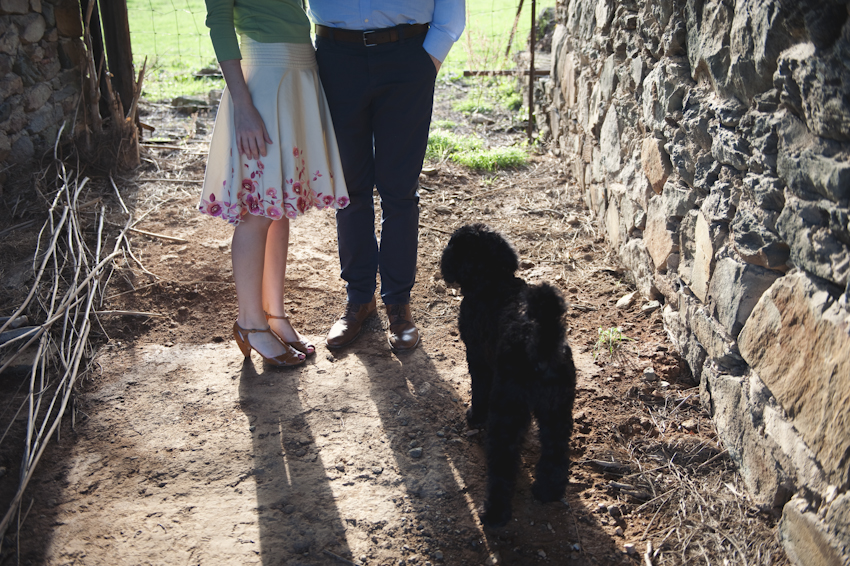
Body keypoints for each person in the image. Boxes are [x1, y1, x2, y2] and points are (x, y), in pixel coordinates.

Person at [309, 0, 466, 352]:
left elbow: (451, 8)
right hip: (336, 60)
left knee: (399, 192)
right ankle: (359, 299)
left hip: (408, 57)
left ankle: (399, 304)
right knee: (350, 190)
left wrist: (429, 61)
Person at [200, 0, 350, 367]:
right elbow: (219, 23)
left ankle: (274, 316)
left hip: (300, 73)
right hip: (264, 80)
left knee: (278, 208)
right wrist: (243, 105)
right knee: (258, 212)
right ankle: (250, 322)